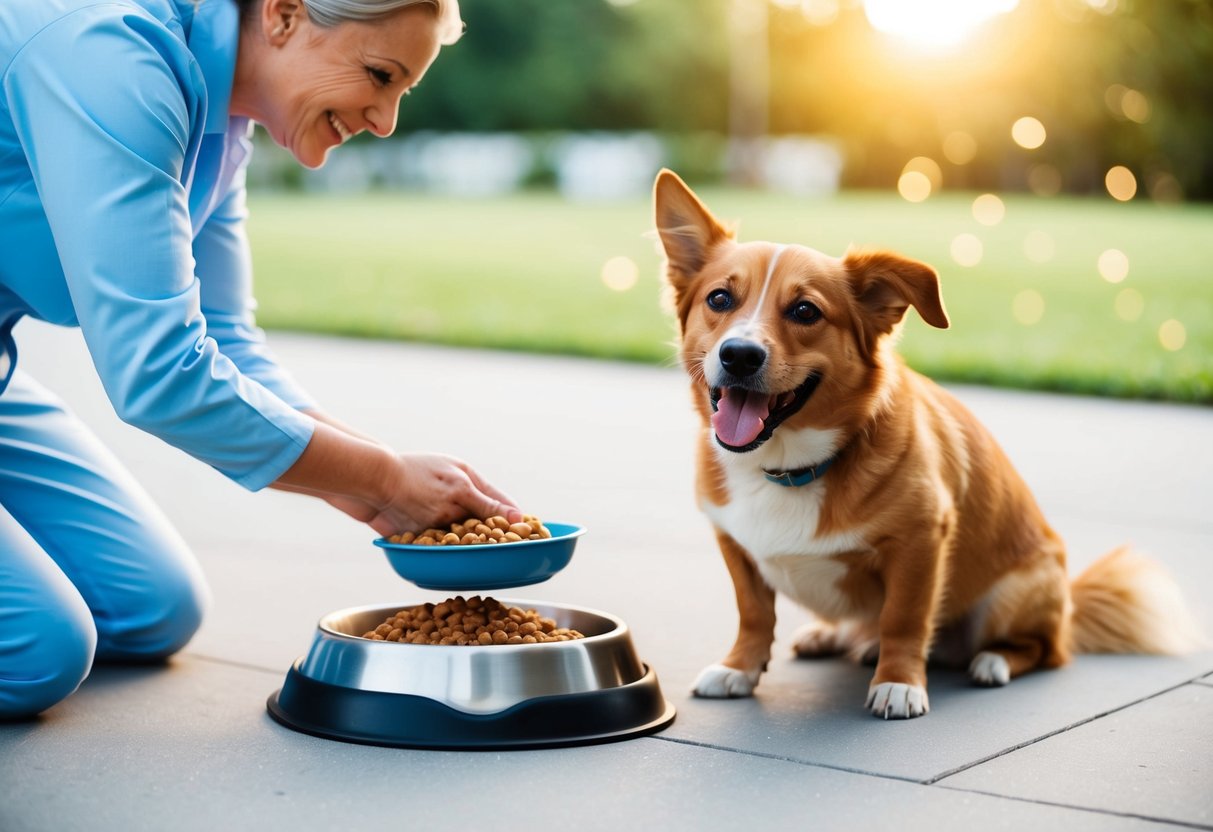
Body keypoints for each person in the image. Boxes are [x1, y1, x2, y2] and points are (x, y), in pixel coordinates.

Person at [0, 0, 520, 719]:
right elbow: (160, 374)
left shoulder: (225, 119)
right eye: (379, 74)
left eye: (402, 92)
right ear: (282, 14)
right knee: (36, 653)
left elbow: (224, 336)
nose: (384, 119)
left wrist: (377, 480)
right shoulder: (113, 58)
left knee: (153, 610)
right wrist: (383, 479)